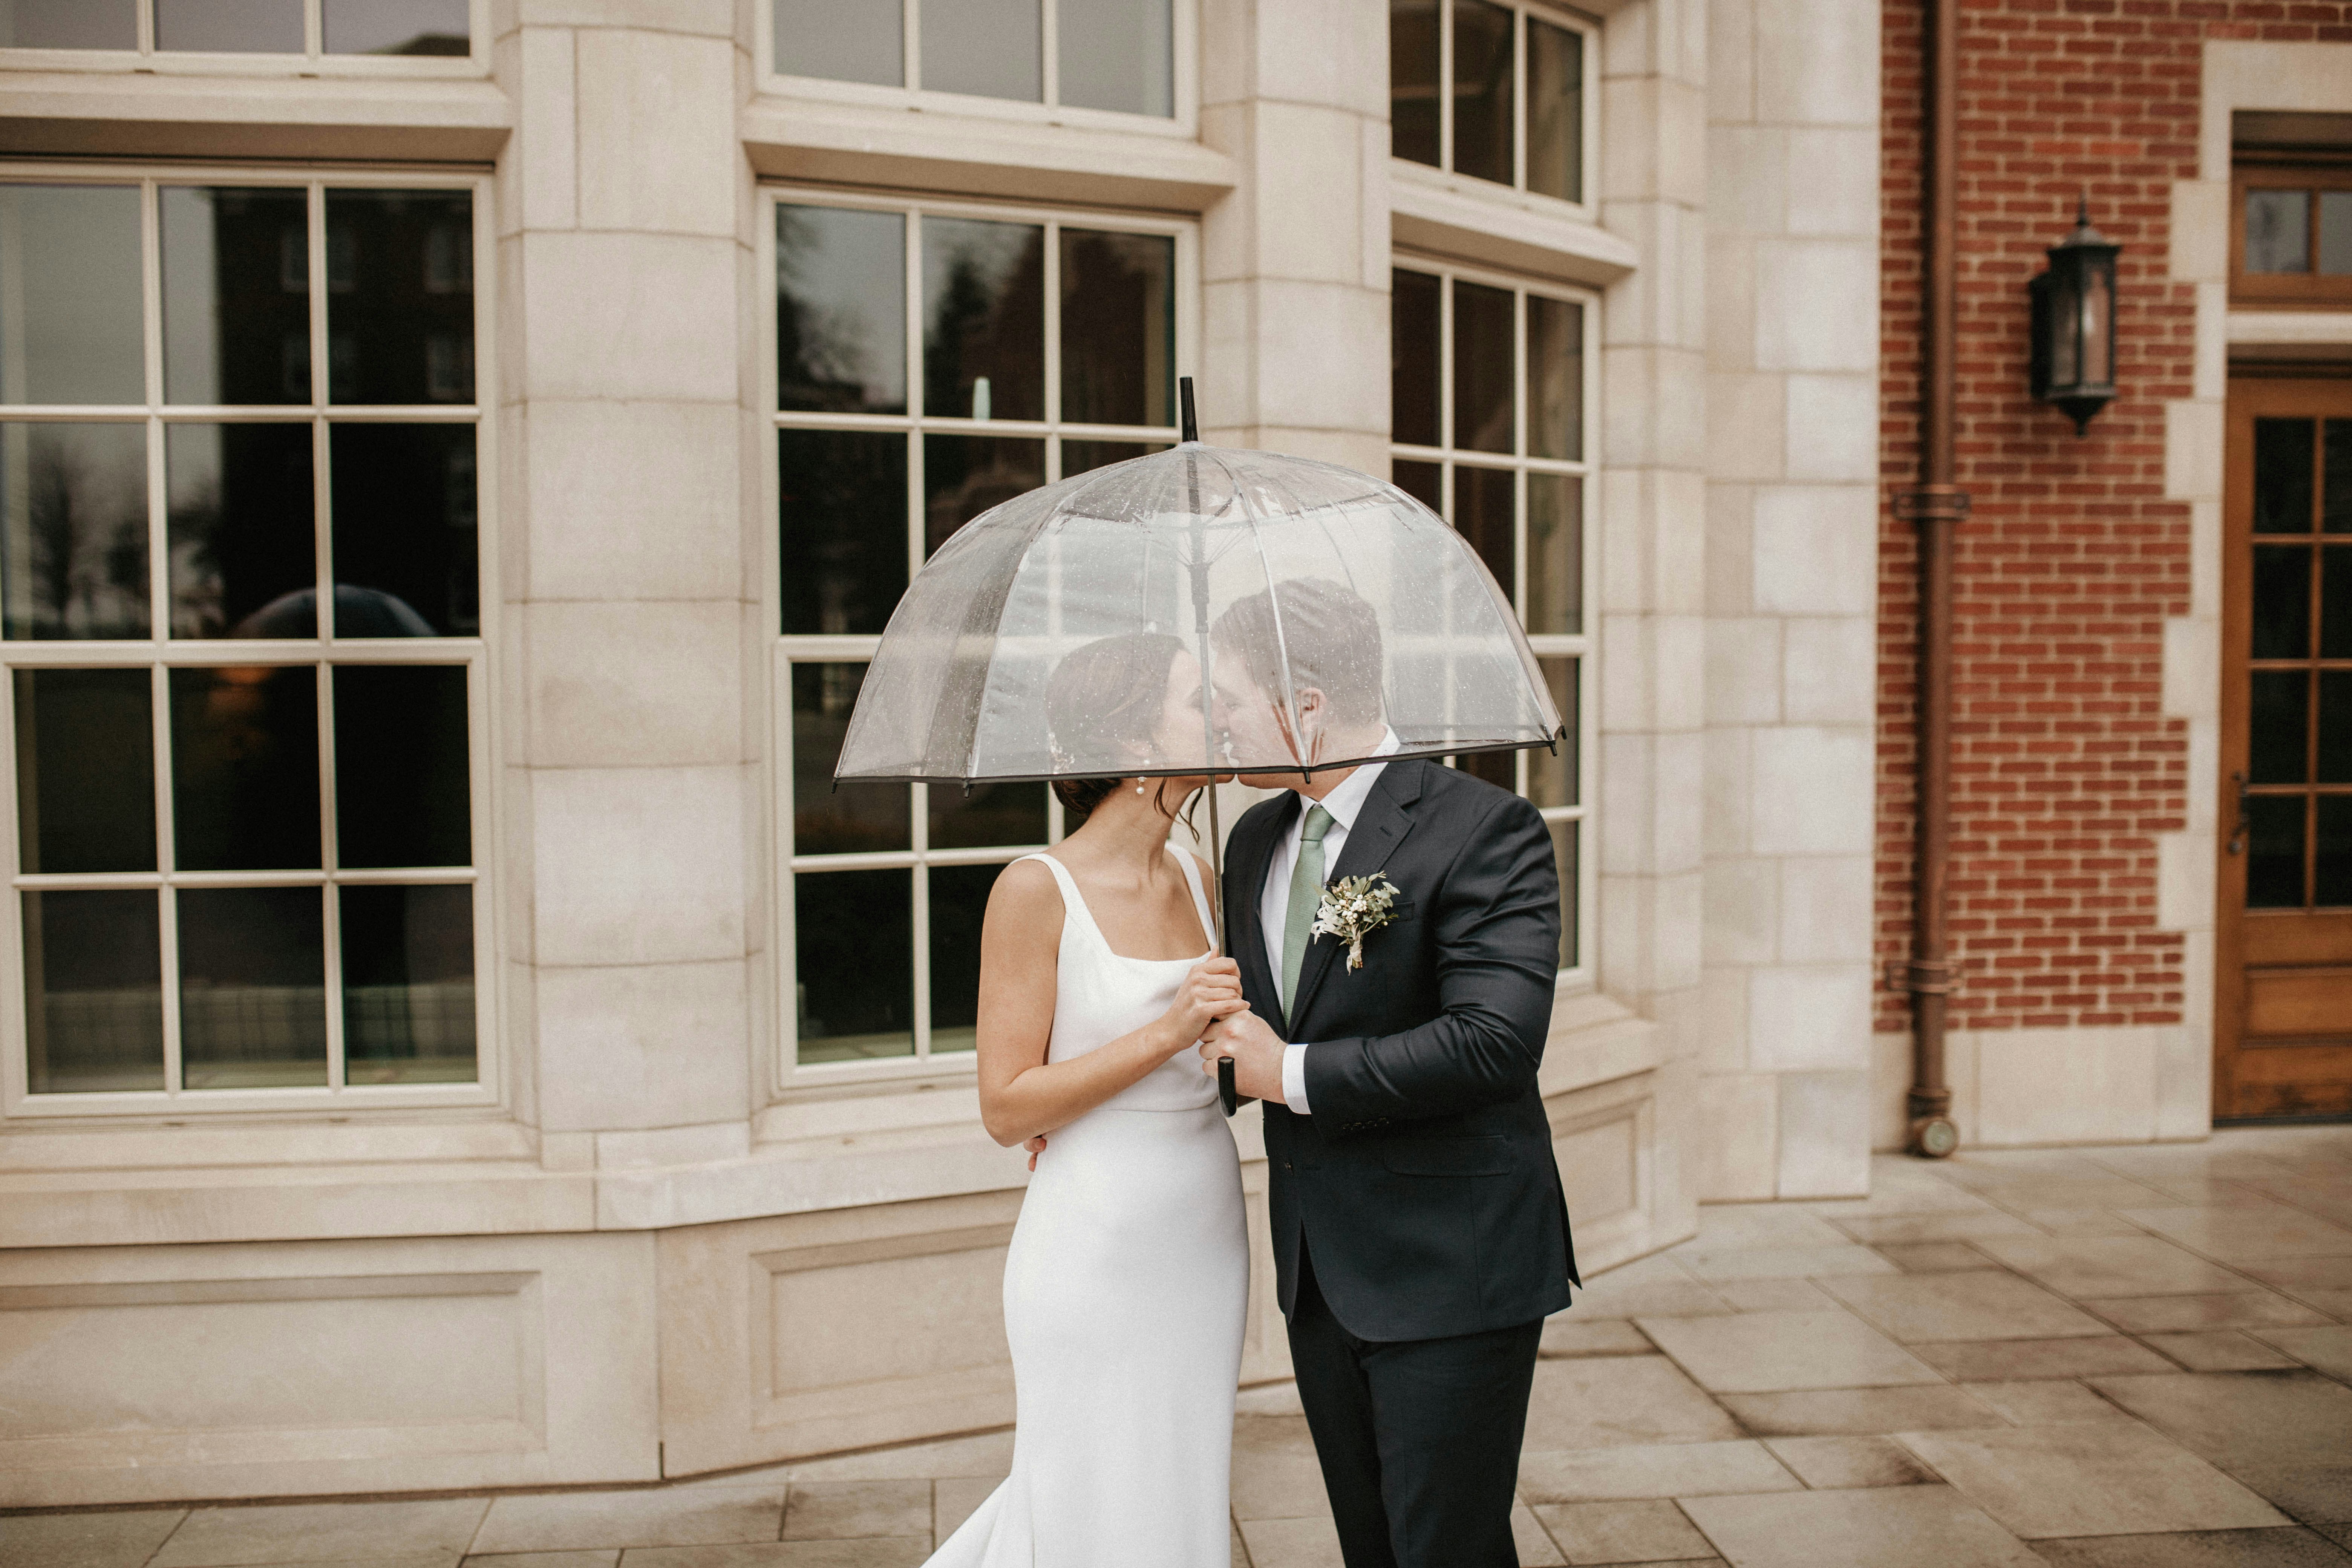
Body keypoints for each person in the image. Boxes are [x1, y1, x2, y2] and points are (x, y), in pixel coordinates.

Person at [1199, 577, 1579, 1568]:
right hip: (1321, 1275)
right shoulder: (1255, 840)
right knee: (1372, 1549)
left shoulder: (1485, 829)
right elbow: (1251, 1037)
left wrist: (1293, 1072)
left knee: (1444, 1551)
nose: (1217, 722)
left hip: (1455, 1267)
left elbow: (1495, 1043)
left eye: (1231, 698)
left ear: (1307, 706)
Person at [926, 631, 1249, 1568]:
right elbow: (1006, 1105)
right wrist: (1166, 1031)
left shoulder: (1199, 871)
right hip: (1093, 1237)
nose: (1222, 717)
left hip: (1201, 1225)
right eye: (1200, 701)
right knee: (1081, 1489)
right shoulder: (1036, 889)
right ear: (1140, 745)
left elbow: (1221, 1049)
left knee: (1179, 1476)